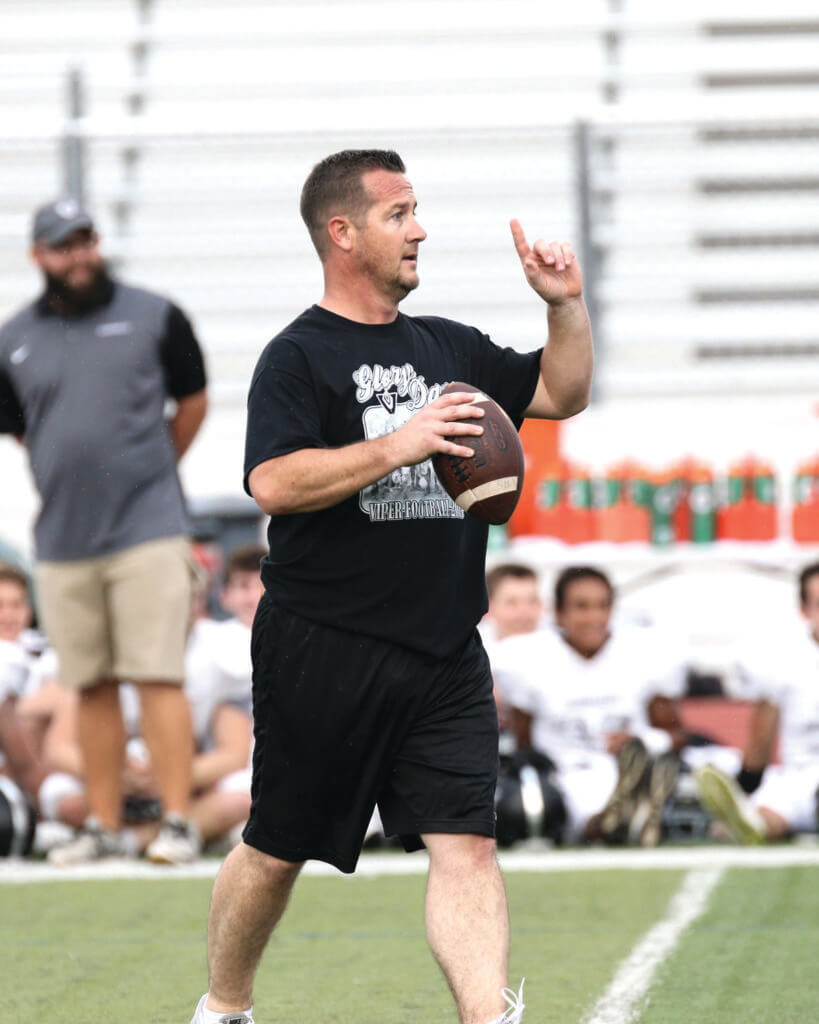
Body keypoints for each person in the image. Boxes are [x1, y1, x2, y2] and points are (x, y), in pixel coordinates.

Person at [189, 149, 593, 1024]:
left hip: (445, 646)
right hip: (325, 645)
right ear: (343, 233)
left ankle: (487, 1016)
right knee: (275, 847)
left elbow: (562, 392)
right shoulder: (296, 356)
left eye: (416, 210)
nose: (419, 229)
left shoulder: (446, 345)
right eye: (399, 213)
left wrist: (564, 309)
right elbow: (272, 483)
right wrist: (397, 445)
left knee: (468, 846)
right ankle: (224, 1007)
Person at [0, 197, 208, 865]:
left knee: (156, 675)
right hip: (63, 540)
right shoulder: (14, 338)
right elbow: (23, 428)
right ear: (39, 255)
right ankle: (104, 823)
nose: (78, 254)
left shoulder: (153, 314)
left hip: (148, 528)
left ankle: (177, 820)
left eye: (85, 240)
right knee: (86, 684)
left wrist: (151, 472)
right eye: (63, 245)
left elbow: (194, 398)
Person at [492, 566, 694, 847]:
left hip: (625, 765)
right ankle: (617, 823)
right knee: (555, 801)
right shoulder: (527, 658)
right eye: (581, 607)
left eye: (603, 606)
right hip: (564, 771)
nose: (594, 617)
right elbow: (525, 743)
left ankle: (628, 813)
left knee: (662, 761)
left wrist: (642, 741)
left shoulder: (643, 652)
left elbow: (677, 735)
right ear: (559, 614)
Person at [695, 560, 819, 843]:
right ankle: (745, 821)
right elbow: (762, 739)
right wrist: (744, 786)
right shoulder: (783, 661)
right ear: (804, 611)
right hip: (798, 775)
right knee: (767, 816)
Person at [182, 544, 263, 848]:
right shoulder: (213, 640)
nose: (254, 596)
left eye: (263, 585)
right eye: (243, 586)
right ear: (224, 596)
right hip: (223, 765)